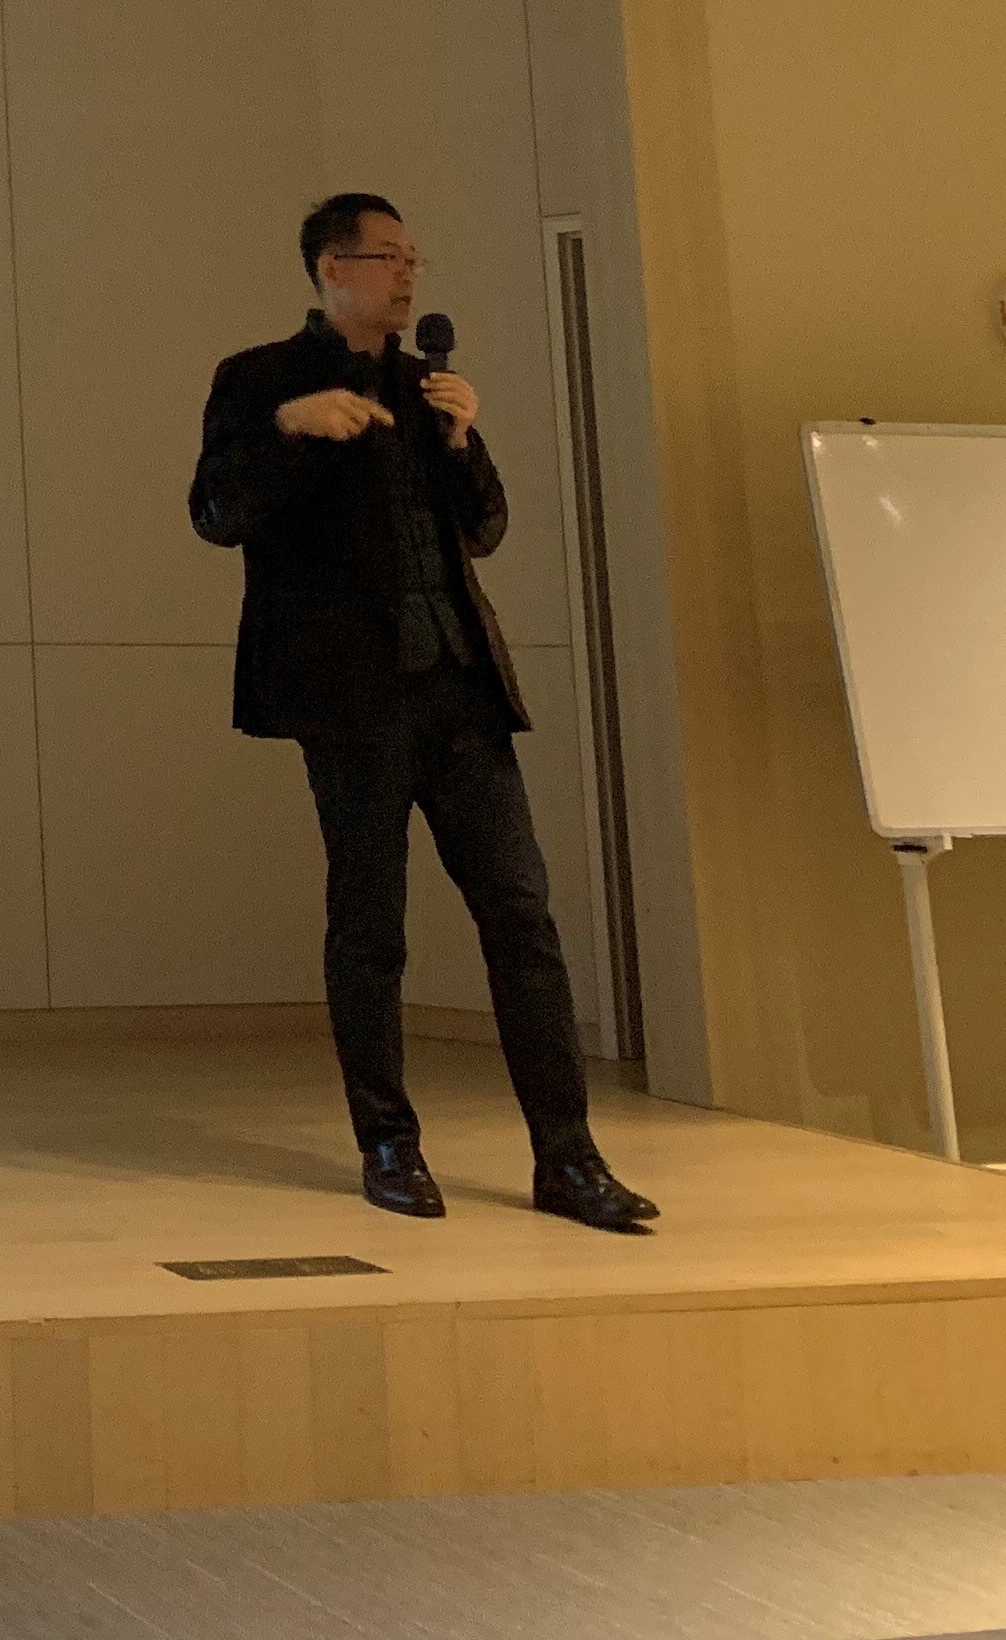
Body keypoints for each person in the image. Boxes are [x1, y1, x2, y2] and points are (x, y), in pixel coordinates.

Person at [188, 194, 659, 1233]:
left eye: (414, 259)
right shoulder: (260, 380)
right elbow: (217, 513)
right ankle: (389, 1144)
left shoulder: (427, 387)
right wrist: (289, 430)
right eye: (386, 257)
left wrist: (462, 437)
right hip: (350, 699)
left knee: (522, 915)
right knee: (372, 926)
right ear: (331, 268)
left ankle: (568, 1156)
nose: (407, 275)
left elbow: (484, 530)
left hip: (461, 689)